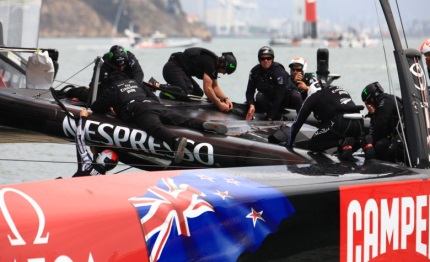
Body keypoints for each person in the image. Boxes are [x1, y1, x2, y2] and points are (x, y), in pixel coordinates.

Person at [91, 71, 228, 164]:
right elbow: (152, 96)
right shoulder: (136, 82)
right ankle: (202, 124)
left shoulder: (112, 88)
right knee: (181, 119)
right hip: (155, 105)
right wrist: (154, 106)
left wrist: (111, 108)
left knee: (154, 127)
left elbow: (96, 107)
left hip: (139, 110)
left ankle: (175, 141)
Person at [286, 82, 369, 160]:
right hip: (359, 122)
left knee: (313, 144)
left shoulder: (314, 96)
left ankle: (342, 142)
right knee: (346, 141)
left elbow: (297, 122)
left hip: (341, 122)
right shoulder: (337, 90)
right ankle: (363, 142)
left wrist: (288, 146)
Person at [162, 47, 236, 113]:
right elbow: (207, 89)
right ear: (222, 64)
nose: (224, 74)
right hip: (171, 69)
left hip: (182, 71)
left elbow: (215, 87)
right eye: (225, 71)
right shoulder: (210, 63)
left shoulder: (214, 65)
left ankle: (174, 90)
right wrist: (219, 104)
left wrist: (226, 99)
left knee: (198, 93)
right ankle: (164, 90)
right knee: (186, 93)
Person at [60, 45, 144, 102]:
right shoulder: (104, 62)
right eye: (118, 67)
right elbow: (97, 83)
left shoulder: (131, 59)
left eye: (123, 65)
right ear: (112, 62)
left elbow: (139, 74)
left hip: (128, 82)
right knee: (91, 95)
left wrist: (134, 90)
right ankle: (71, 92)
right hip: (110, 83)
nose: (121, 68)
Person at [245, 46, 301, 121]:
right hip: (269, 99)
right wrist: (251, 105)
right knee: (259, 96)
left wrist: (271, 117)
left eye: (268, 58)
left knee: (296, 95)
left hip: (284, 98)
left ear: (272, 59)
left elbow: (279, 96)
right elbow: (249, 91)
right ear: (259, 60)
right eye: (263, 58)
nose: (266, 61)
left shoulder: (279, 72)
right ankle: (278, 116)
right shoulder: (254, 72)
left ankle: (301, 119)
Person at [361, 81, 404, 163]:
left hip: (399, 139)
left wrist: (369, 143)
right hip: (398, 136)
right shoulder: (389, 98)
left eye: (367, 102)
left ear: (371, 98)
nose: (367, 105)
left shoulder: (384, 102)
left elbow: (380, 127)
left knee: (379, 146)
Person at [72, 108, 119, 177]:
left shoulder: (87, 164)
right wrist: (96, 153)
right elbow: (96, 169)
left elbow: (79, 139)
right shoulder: (102, 178)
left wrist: (83, 118)